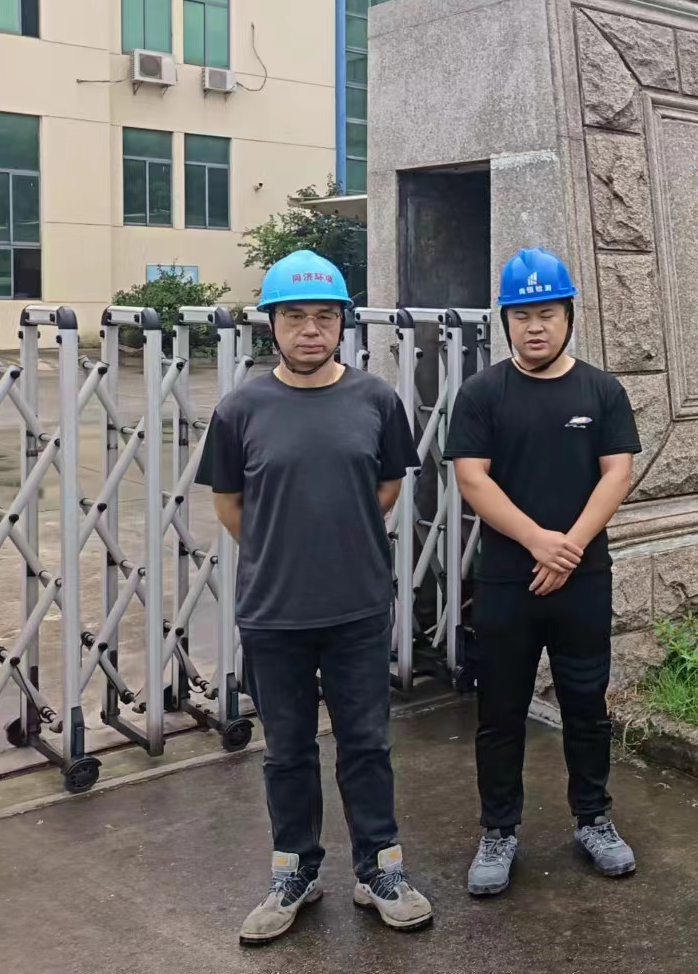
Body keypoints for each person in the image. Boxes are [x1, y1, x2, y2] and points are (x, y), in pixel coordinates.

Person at [198, 249, 434, 945]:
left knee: (366, 744)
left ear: (342, 324)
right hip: (274, 611)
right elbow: (229, 503)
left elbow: (385, 487)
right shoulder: (240, 409)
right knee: (288, 751)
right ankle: (295, 871)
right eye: (295, 316)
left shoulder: (376, 401)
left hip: (358, 606)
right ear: (272, 324)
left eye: (324, 317)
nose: (310, 330)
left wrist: (338, 537)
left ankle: (380, 869)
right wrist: (285, 548)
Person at [446, 247, 641, 898]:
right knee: (500, 711)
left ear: (568, 317)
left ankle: (594, 818)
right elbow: (472, 478)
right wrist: (537, 540)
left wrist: (571, 547)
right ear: (505, 320)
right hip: (507, 580)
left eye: (547, 313)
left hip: (583, 578)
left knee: (586, 705)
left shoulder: (602, 391)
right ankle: (498, 830)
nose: (535, 327)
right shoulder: (481, 393)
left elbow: (617, 473)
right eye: (522, 315)